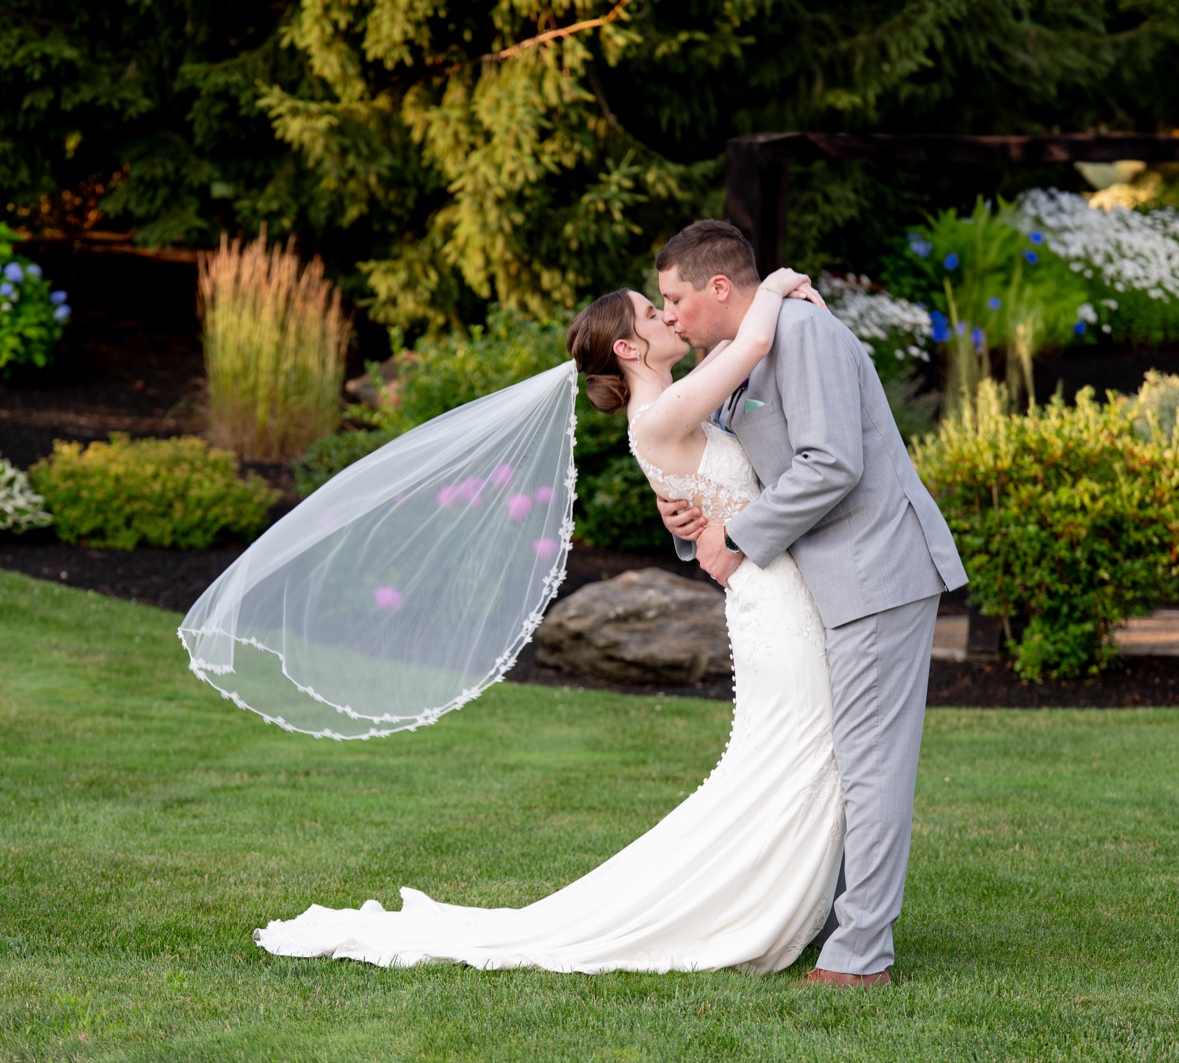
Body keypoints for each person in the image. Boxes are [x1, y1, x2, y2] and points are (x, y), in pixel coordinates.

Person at [253, 267, 854, 975]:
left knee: (797, 750)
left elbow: (733, 354)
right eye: (652, 314)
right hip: (770, 603)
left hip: (771, 593)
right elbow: (749, 344)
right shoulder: (659, 416)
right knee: (799, 749)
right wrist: (778, 282)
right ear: (629, 350)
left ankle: (774, 896)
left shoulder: (676, 404)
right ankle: (744, 904)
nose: (670, 318)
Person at [652, 220, 966, 987]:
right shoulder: (738, 352)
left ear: (720, 288)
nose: (670, 316)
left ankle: (862, 953)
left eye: (676, 298)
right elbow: (746, 472)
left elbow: (832, 464)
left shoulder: (805, 332)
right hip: (817, 584)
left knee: (870, 765)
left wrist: (741, 534)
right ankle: (826, 919)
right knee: (833, 760)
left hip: (874, 574)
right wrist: (693, 521)